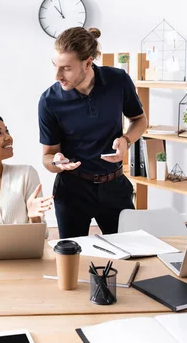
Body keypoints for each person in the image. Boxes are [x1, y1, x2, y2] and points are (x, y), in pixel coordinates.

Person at [38, 26, 147, 238]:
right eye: (55, 66)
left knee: (131, 254)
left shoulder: (118, 80)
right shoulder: (49, 101)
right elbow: (47, 156)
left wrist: (126, 139)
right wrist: (57, 162)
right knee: (72, 261)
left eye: (66, 68)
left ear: (88, 63)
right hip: (72, 190)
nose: (57, 75)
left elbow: (139, 120)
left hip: (115, 187)